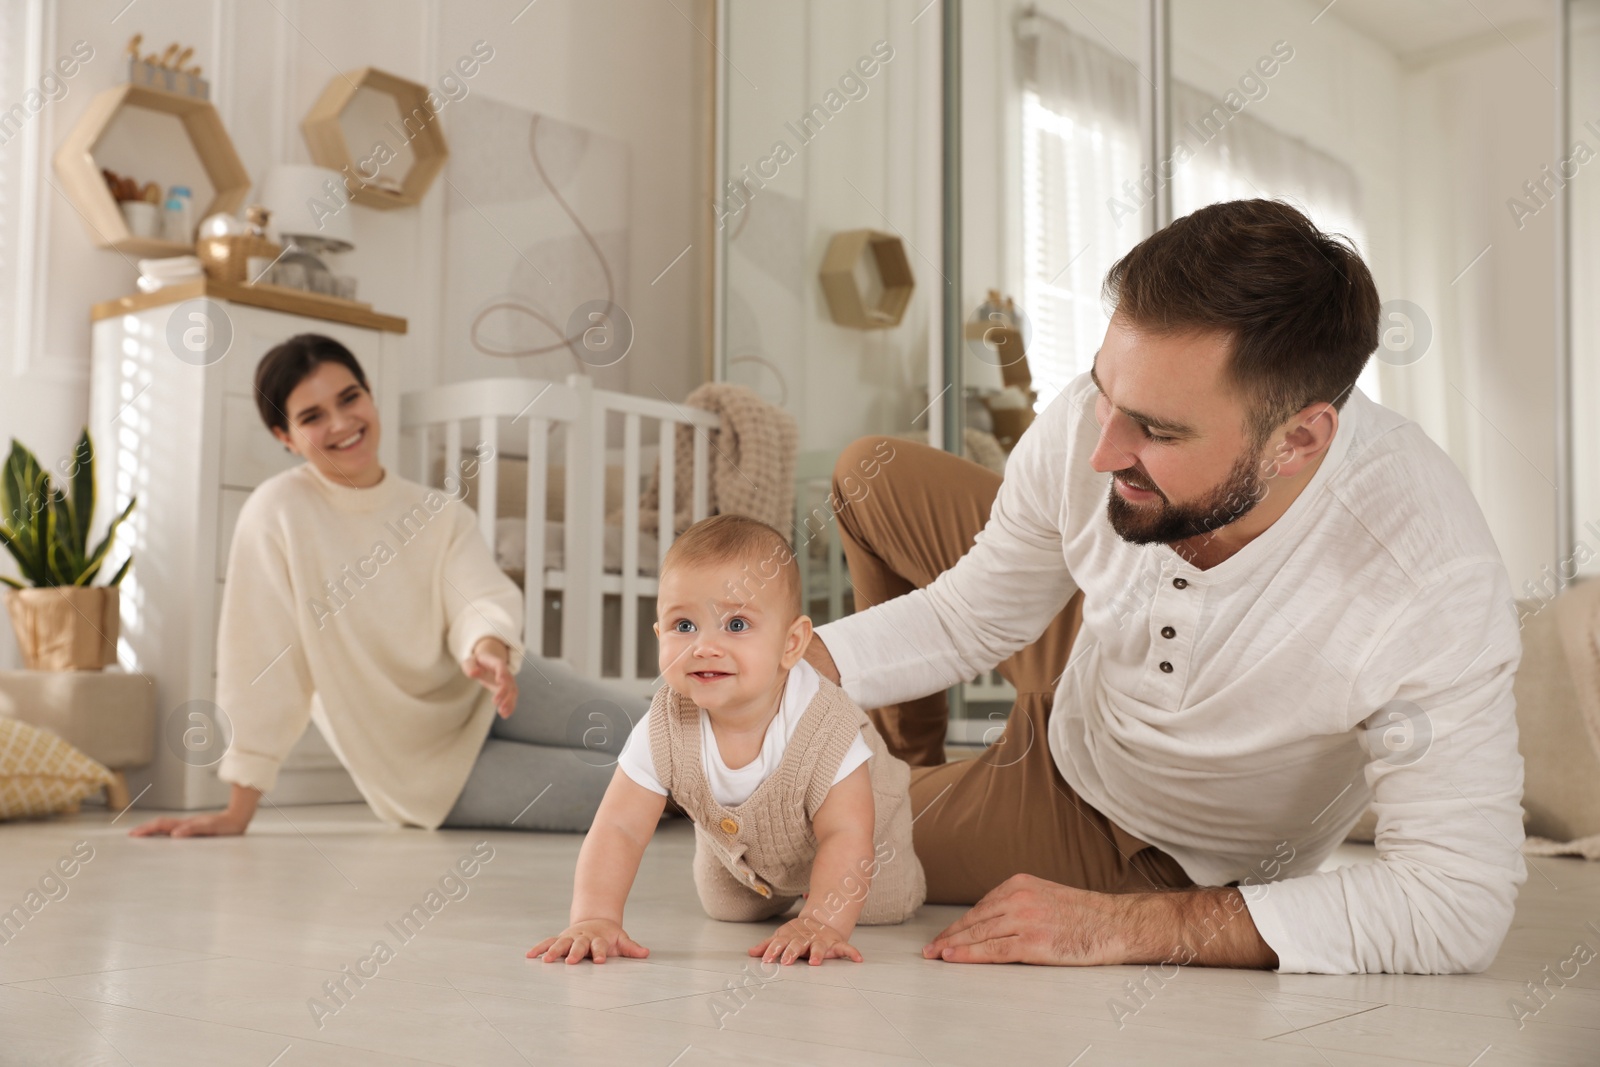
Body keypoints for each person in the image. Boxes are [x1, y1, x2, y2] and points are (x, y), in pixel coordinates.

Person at [803, 199, 1526, 975]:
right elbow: (969, 615)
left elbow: (1457, 900)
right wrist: (772, 671)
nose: (1101, 448)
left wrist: (1134, 926)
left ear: (1300, 440)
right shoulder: (1100, 428)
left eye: (1159, 429)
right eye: (1103, 391)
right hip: (1094, 659)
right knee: (868, 476)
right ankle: (889, 758)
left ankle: (887, 793)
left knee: (798, 847)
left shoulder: (1426, 577)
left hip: (1137, 830)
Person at [130, 333, 640, 839]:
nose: (341, 423)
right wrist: (238, 809)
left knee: (660, 728)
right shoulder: (277, 512)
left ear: (370, 394)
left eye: (350, 398)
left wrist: (487, 642)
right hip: (423, 772)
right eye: (311, 417)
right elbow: (262, 664)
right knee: (636, 790)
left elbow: (480, 597)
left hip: (492, 682)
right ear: (284, 436)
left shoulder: (440, 513)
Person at [529, 515, 924, 967]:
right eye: (683, 625)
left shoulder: (825, 723)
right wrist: (595, 917)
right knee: (728, 909)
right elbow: (618, 826)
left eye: (736, 625)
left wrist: (822, 921)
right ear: (658, 634)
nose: (704, 646)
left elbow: (845, 832)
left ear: (791, 644)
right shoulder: (665, 722)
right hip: (743, 851)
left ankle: (826, 898)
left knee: (879, 906)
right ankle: (771, 885)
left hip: (866, 837)